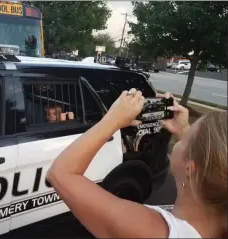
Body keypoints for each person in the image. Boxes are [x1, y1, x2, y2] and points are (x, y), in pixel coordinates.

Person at [47, 89, 227, 238]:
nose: (182, 135)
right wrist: (182, 130)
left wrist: (112, 120)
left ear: (190, 168)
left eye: (187, 138)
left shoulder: (148, 230)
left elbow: (61, 173)